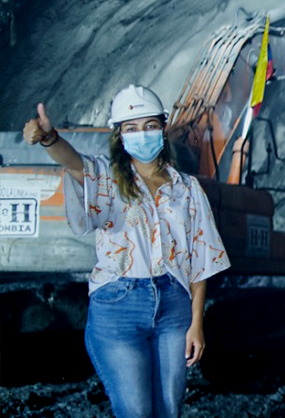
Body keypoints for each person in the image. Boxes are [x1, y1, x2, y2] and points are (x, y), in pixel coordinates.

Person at [23, 85, 231, 418]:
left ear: (163, 128)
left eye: (149, 125)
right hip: (119, 307)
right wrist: (50, 139)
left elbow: (200, 261)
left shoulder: (188, 189)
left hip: (174, 309)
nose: (141, 134)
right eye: (131, 128)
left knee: (168, 410)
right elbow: (76, 164)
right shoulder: (108, 179)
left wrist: (196, 323)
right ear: (120, 136)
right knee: (135, 410)